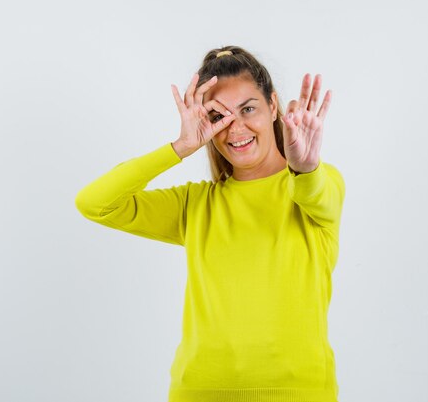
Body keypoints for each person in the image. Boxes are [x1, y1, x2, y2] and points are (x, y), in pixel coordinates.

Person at [75, 45, 346, 402]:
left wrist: (305, 167)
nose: (236, 128)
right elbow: (95, 203)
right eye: (219, 116)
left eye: (248, 108)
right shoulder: (195, 204)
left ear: (273, 105)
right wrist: (180, 146)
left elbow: (317, 193)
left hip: (299, 392)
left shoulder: (314, 186)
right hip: (199, 392)